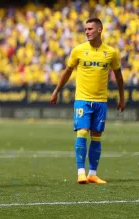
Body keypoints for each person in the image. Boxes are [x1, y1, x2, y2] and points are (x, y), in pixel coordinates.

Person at [50, 18, 125, 184]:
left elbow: (119, 77)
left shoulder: (111, 53)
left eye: (90, 28)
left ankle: (92, 173)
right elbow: (67, 72)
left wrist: (122, 97)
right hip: (82, 100)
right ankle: (80, 172)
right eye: (85, 29)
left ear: (100, 30)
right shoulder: (78, 50)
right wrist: (56, 91)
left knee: (96, 136)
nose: (87, 32)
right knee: (82, 132)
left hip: (101, 101)